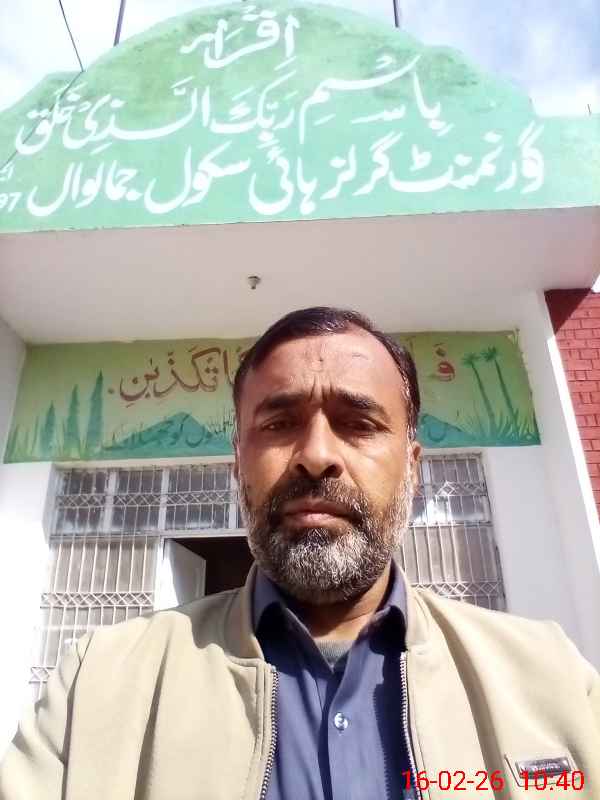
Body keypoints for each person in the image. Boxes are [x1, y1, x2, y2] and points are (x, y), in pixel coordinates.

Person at [1, 306, 599, 800]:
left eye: (358, 423)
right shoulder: (98, 685)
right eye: (280, 423)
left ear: (413, 469)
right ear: (238, 466)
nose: (316, 455)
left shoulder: (549, 678)